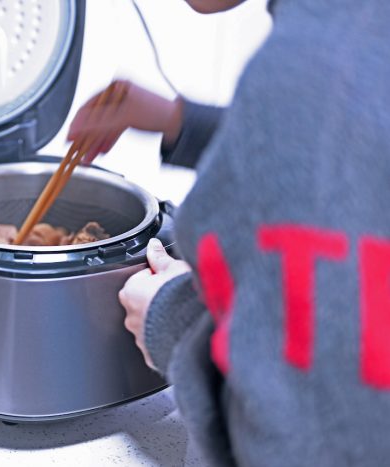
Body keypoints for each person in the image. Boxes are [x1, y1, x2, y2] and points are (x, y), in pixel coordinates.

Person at [67, 0, 390, 465]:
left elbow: (301, 412)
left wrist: (174, 318)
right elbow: (348, 159)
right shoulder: (355, 35)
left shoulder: (309, 64)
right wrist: (183, 123)